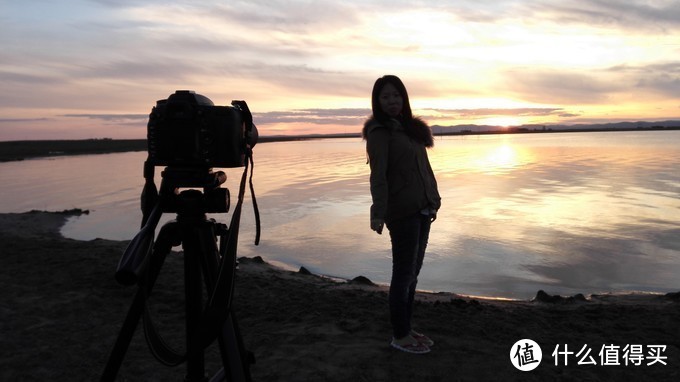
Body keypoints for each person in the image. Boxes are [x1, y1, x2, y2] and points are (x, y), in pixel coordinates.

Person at [362, 75, 441, 354]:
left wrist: (434, 198)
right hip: (402, 212)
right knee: (403, 274)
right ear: (378, 101)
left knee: (413, 274)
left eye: (396, 95)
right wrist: (378, 213)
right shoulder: (380, 133)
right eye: (385, 97)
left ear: (404, 98)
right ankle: (400, 335)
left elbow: (424, 169)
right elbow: (378, 177)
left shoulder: (411, 130)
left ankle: (406, 328)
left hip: (422, 208)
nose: (392, 101)